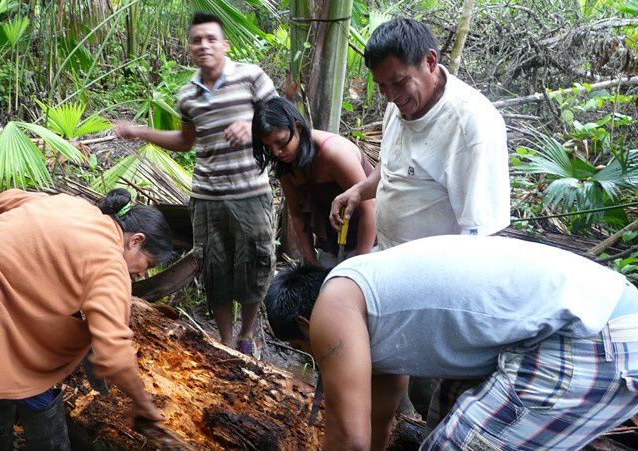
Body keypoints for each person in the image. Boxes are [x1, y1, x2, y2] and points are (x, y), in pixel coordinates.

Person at [264, 235, 638, 450]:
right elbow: (377, 419)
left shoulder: (333, 306)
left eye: (303, 346)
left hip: (597, 337)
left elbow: (350, 437)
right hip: (582, 325)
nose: (317, 356)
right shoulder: (367, 299)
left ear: (305, 323)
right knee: (441, 421)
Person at [0, 188, 173, 450]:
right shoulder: (111, 265)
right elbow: (113, 348)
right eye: (146, 265)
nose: (141, 274)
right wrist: (142, 403)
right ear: (136, 241)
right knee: (27, 379)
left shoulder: (76, 206)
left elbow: (4, 199)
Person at [114, 12, 277, 356]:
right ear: (189, 48)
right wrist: (139, 131)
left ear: (224, 45)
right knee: (214, 266)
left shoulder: (251, 77)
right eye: (197, 40)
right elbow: (186, 141)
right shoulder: (187, 94)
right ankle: (227, 341)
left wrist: (249, 125)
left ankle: (247, 334)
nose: (204, 45)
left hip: (251, 192)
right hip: (207, 196)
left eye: (211, 39)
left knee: (256, 262)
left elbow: (278, 119)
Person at [330, 18, 510, 250]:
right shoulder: (399, 103)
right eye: (382, 86)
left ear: (430, 61)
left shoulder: (470, 125)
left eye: (398, 82)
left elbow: (480, 234)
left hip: (435, 274)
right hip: (389, 256)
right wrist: (359, 191)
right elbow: (392, 167)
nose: (391, 96)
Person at [252, 97, 376, 267]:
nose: (277, 152)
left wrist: (361, 265)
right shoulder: (285, 163)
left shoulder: (334, 154)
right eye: (269, 147)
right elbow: (297, 214)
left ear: (297, 126)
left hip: (371, 242)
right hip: (332, 246)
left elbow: (370, 208)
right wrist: (311, 260)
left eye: (280, 142)